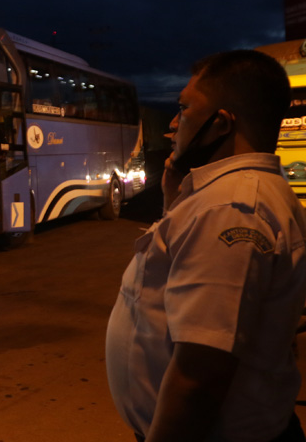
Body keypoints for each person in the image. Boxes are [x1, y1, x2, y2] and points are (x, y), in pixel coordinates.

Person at [106, 49, 306, 442]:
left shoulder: (231, 208)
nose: (174, 123)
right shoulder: (239, 195)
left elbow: (200, 376)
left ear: (221, 124)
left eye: (184, 109)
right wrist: (173, 203)